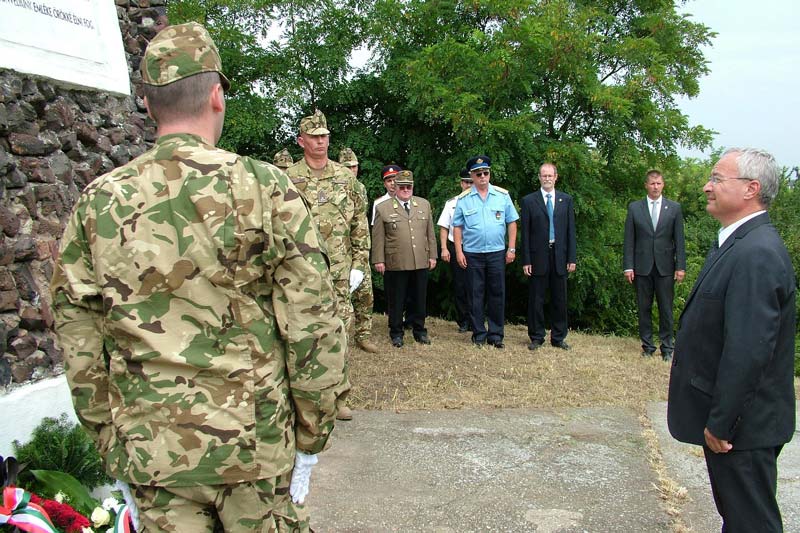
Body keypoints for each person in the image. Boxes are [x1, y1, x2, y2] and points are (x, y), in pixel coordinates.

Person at [49, 22, 347, 532]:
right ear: (216, 95)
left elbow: (78, 334)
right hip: (256, 448)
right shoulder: (265, 188)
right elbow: (312, 323)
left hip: (155, 452)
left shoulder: (98, 201)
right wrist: (311, 437)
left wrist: (111, 442)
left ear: (146, 104)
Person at [667, 148, 796, 533]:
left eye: (718, 179)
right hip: (737, 426)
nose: (707, 186)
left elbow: (749, 349)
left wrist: (723, 423)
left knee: (752, 524)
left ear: (750, 189)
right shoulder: (737, 243)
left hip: (743, 429)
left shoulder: (757, 253)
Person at [285, 110, 370, 422]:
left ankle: (339, 396)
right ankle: (302, 400)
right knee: (300, 334)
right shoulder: (288, 179)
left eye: (324, 136)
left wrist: (359, 265)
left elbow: (360, 227)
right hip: (299, 273)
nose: (321, 142)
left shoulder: (347, 180)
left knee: (341, 333)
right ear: (301, 141)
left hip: (338, 273)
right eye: (314, 136)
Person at [453, 155, 518, 348]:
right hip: (472, 253)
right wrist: (458, 251)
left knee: (497, 293)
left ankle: (496, 335)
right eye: (478, 173)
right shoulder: (464, 199)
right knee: (475, 294)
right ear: (472, 176)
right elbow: (457, 226)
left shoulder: (502, 195)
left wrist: (511, 248)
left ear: (489, 174)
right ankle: (479, 334)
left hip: (497, 252)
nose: (483, 176)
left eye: (486, 173)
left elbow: (512, 222)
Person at [623, 170, 686, 361]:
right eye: (652, 183)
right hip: (642, 267)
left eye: (658, 183)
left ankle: (667, 347)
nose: (655, 187)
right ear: (646, 185)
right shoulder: (635, 208)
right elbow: (629, 240)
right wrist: (628, 266)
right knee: (644, 307)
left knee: (666, 309)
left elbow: (679, 240)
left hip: (666, 267)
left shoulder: (674, 208)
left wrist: (680, 267)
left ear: (663, 185)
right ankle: (648, 346)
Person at [372, 170, 437, 347]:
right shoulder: (383, 208)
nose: (406, 189)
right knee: (396, 299)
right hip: (396, 262)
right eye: (402, 186)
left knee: (419, 298)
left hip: (420, 260)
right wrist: (379, 260)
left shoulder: (424, 205)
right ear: (395, 187)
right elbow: (378, 237)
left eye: (409, 186)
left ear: (412, 187)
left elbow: (430, 233)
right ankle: (396, 332)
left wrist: (433, 255)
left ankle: (419, 331)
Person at [520, 162, 576, 351]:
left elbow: (570, 231)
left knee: (560, 298)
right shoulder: (529, 201)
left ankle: (558, 337)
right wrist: (526, 260)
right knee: (536, 298)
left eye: (550, 175)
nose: (547, 178)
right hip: (537, 257)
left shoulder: (566, 200)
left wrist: (572, 258)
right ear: (539, 177)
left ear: (556, 177)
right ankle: (536, 336)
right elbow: (525, 234)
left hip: (560, 256)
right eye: (544, 175)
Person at [338, 147, 379, 354]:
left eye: (354, 166)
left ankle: (363, 335)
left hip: (360, 249)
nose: (351, 170)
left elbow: (361, 222)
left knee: (365, 295)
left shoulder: (360, 188)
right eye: (347, 167)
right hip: (339, 251)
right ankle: (337, 337)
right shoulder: (334, 187)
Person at [437, 168, 473, 333]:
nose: (468, 185)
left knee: (477, 285)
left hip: (476, 247)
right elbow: (444, 226)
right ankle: (463, 320)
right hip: (455, 245)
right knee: (460, 285)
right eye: (466, 182)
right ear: (461, 183)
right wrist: (444, 248)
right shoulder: (452, 203)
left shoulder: (481, 201)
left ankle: (476, 319)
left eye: (471, 182)